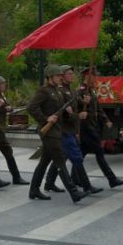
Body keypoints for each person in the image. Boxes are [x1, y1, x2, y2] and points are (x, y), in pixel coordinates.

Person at [27, 65, 89, 204]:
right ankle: (74, 193)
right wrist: (45, 119)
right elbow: (31, 107)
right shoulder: (44, 91)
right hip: (49, 132)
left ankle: (34, 190)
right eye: (57, 76)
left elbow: (60, 110)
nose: (60, 78)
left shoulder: (57, 91)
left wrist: (70, 112)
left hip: (57, 131)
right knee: (60, 160)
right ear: (50, 77)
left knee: (44, 162)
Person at [43, 65, 101, 196]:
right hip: (64, 130)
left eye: (71, 73)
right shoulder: (61, 91)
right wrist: (77, 116)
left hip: (70, 129)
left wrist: (85, 100)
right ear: (62, 76)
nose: (72, 76)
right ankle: (86, 186)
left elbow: (77, 103)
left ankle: (49, 183)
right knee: (76, 157)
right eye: (69, 74)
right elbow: (63, 113)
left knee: (61, 158)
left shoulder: (71, 90)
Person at [76, 68, 123, 188]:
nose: (96, 78)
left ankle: (75, 178)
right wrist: (84, 102)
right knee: (99, 152)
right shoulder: (82, 91)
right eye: (94, 76)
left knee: (81, 154)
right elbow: (77, 105)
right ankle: (112, 179)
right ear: (87, 77)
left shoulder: (91, 91)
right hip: (86, 127)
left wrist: (106, 120)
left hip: (92, 125)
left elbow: (98, 108)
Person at [0, 76, 29, 185]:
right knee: (8, 151)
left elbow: (5, 108)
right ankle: (16, 177)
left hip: (1, 126)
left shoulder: (1, 95)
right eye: (2, 84)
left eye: (4, 83)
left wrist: (9, 108)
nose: (4, 85)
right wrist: (4, 108)